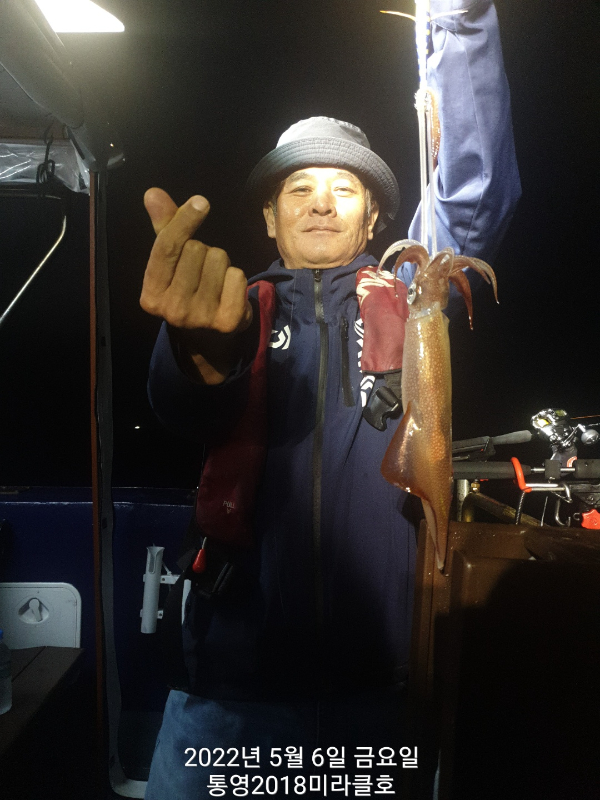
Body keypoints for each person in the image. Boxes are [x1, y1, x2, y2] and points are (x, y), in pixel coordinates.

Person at [141, 1, 520, 797]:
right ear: (270, 217)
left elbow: (473, 188)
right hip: (230, 698)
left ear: (375, 215)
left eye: (345, 188)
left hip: (376, 699)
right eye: (300, 188)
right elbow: (185, 410)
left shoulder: (413, 296)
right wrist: (195, 355)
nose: (321, 202)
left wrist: (459, 21)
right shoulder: (231, 309)